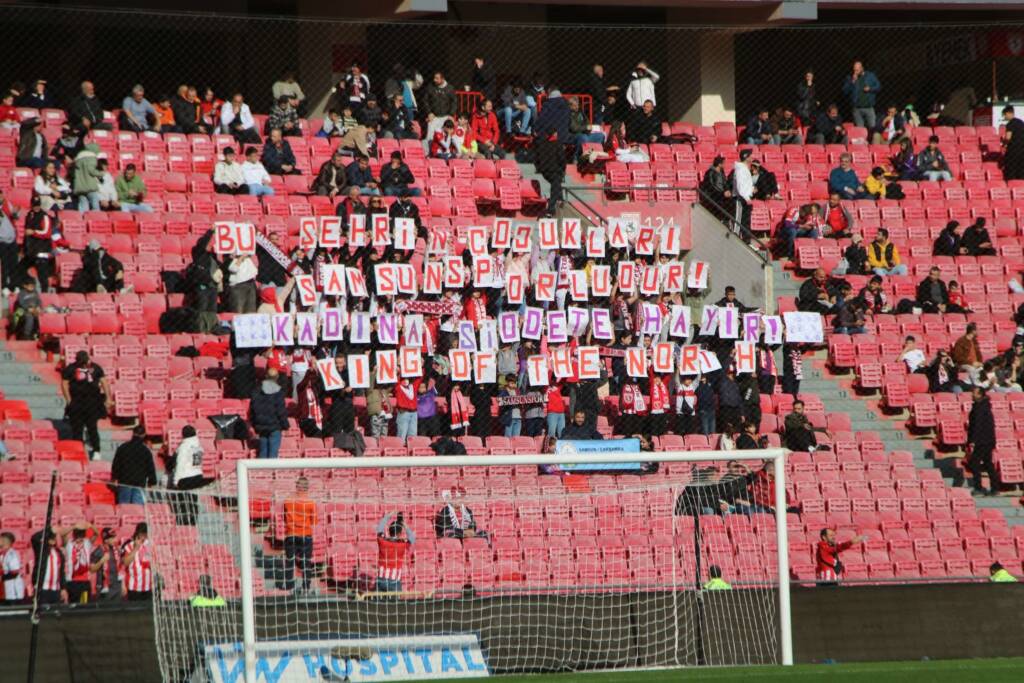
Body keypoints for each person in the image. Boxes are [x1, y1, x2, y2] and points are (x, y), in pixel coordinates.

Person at [61, 351, 110, 459]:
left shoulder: (96, 367)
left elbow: (104, 382)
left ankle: (96, 450)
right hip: (77, 402)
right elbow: (64, 383)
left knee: (92, 427)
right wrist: (69, 400)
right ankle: (79, 451)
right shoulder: (71, 368)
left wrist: (108, 398)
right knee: (77, 429)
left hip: (92, 402)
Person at [533, 86, 570, 216]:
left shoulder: (547, 106)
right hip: (558, 155)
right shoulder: (566, 105)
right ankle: (555, 203)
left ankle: (555, 202)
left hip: (545, 164)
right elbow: (562, 160)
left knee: (556, 181)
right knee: (557, 179)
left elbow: (538, 124)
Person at [281, 477, 316, 592]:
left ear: (297, 486)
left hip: (291, 534)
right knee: (306, 561)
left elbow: (284, 517)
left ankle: (290, 586)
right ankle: (306, 587)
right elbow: (314, 521)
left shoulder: (288, 500)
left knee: (290, 560)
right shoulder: (311, 502)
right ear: (307, 488)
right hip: (305, 534)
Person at [111, 425, 157, 505]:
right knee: (137, 510)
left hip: (125, 481)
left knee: (124, 507)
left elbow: (116, 464)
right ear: (144, 435)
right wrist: (152, 481)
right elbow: (150, 467)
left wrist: (114, 477)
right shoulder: (145, 451)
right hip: (139, 483)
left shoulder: (123, 448)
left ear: (133, 433)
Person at [966, 386, 998, 496]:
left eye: (974, 393)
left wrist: (972, 440)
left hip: (982, 441)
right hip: (988, 440)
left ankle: (979, 488)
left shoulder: (980, 407)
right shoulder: (984, 406)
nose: (972, 395)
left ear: (980, 395)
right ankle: (995, 488)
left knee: (974, 463)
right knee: (988, 464)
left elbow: (977, 425)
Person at [250, 368, 288, 458]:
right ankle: (270, 471)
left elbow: (253, 410)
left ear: (266, 376)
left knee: (263, 452)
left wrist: (255, 425)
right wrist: (285, 425)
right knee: (273, 455)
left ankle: (262, 471)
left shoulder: (256, 391)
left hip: (262, 426)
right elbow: (280, 411)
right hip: (275, 426)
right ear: (277, 377)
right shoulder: (278, 392)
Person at [376, 512, 415, 593]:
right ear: (400, 533)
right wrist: (403, 523)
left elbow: (379, 529)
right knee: (396, 605)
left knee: (379, 605)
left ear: (389, 531)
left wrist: (388, 516)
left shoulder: (382, 541)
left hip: (381, 579)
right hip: (394, 581)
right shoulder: (402, 544)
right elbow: (412, 537)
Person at [841, 60, 881, 129]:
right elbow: (845, 91)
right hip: (857, 108)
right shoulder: (850, 78)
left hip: (869, 107)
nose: (855, 72)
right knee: (860, 129)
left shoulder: (870, 76)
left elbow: (878, 87)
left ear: (862, 68)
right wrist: (852, 82)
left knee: (872, 127)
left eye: (857, 70)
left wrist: (870, 88)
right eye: (854, 70)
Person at [63, 524, 96, 603]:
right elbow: (63, 534)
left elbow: (97, 534)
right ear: (74, 535)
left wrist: (90, 525)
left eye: (81, 535)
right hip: (72, 581)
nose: (79, 537)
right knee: (74, 605)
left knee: (84, 604)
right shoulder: (69, 543)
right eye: (77, 535)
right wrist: (74, 526)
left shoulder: (87, 542)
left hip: (85, 581)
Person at [31, 528, 66, 604]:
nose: (53, 540)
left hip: (56, 589)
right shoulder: (41, 551)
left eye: (54, 538)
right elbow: (34, 538)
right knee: (43, 612)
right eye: (51, 538)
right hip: (42, 588)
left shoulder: (59, 552)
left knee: (55, 613)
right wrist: (48, 530)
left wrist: (63, 588)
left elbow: (61, 572)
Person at [422, 71, 458, 142]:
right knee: (430, 136)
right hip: (434, 116)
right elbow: (425, 100)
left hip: (446, 116)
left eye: (437, 78)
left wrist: (451, 114)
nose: (434, 80)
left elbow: (454, 102)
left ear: (442, 79)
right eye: (434, 78)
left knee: (445, 135)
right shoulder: (430, 87)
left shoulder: (450, 88)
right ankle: (428, 151)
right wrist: (429, 112)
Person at [121, 523, 152, 601]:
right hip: (134, 588)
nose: (144, 538)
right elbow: (125, 563)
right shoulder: (128, 546)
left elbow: (153, 564)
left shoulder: (149, 546)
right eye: (142, 535)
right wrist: (136, 548)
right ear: (137, 533)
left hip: (148, 587)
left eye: (146, 535)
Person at [90, 528, 123, 601]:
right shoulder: (98, 551)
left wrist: (123, 585)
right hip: (104, 587)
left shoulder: (117, 549)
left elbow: (121, 567)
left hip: (117, 586)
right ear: (106, 540)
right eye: (112, 538)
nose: (115, 539)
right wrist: (101, 561)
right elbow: (92, 569)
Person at [731, 149, 754, 235]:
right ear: (746, 157)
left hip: (744, 198)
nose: (752, 157)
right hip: (740, 199)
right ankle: (735, 240)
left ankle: (746, 241)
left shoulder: (744, 168)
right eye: (750, 155)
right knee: (737, 222)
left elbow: (745, 185)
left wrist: (751, 189)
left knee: (745, 222)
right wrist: (747, 198)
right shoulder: (740, 169)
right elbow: (740, 186)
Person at [0, 531, 25, 604]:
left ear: (4, 541)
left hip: (13, 591)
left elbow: (14, 573)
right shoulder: (2, 554)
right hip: (4, 591)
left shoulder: (12, 554)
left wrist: (1, 578)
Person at [1001, 105, 1024, 181]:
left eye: (1004, 115)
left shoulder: (1010, 124)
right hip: (1022, 150)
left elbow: (1008, 137)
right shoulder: (1021, 122)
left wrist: (1003, 143)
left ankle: (1011, 185)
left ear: (1008, 113)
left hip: (1013, 151)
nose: (1004, 117)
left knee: (1011, 170)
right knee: (1021, 171)